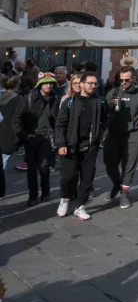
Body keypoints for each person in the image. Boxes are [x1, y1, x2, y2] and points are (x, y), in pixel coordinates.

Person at [54, 71, 109, 220]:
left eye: (95, 84)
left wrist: (101, 136)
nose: (92, 86)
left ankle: (80, 206)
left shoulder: (99, 102)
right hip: (71, 146)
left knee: (87, 178)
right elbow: (60, 125)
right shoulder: (69, 102)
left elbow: (105, 121)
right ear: (82, 84)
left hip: (90, 146)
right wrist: (61, 143)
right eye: (90, 83)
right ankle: (65, 198)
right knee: (68, 177)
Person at [103, 66, 138, 209]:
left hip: (134, 133)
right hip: (114, 133)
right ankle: (117, 184)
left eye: (126, 80)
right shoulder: (114, 91)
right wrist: (108, 106)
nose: (123, 82)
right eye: (121, 80)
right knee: (109, 164)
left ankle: (124, 194)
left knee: (129, 166)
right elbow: (103, 113)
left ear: (134, 79)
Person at [13, 73, 60, 206]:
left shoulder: (56, 99)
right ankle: (33, 195)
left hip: (48, 138)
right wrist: (24, 135)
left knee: (45, 167)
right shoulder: (28, 98)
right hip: (32, 138)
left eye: (51, 83)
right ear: (40, 84)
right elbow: (16, 118)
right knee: (32, 169)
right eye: (46, 83)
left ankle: (46, 192)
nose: (49, 85)